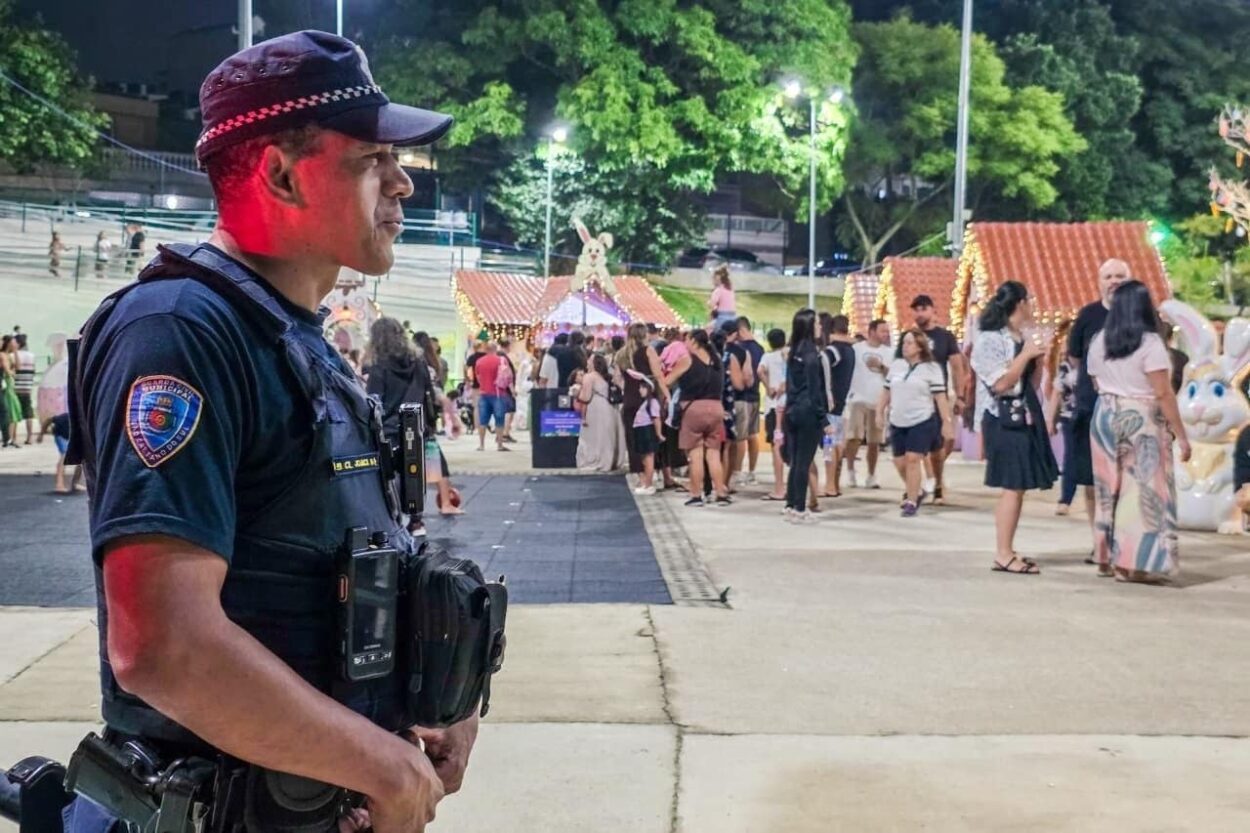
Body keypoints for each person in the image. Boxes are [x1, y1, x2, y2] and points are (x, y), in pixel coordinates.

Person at [65, 31, 472, 833]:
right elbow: (162, 645)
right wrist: (382, 765)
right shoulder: (180, 332)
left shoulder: (298, 342)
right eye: (372, 159)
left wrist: (439, 698)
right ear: (281, 175)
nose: (402, 182)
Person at [1086, 281, 1191, 583]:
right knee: (1142, 490)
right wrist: (1181, 434)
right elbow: (1163, 392)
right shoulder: (1150, 344)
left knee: (1108, 488)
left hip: (1104, 414)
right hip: (1141, 418)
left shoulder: (1099, 340)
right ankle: (1133, 562)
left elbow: (1094, 380)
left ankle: (1105, 557)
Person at [970, 281, 1057, 574]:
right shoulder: (990, 340)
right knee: (1012, 485)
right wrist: (1025, 355)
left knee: (1018, 487)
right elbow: (1001, 383)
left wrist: (1039, 362)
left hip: (1025, 416)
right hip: (1003, 419)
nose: (1032, 305)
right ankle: (1003, 553)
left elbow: (1030, 385)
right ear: (1020, 303)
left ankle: (1007, 549)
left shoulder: (1021, 337)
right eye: (1029, 300)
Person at [366, 317, 463, 529]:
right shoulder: (418, 362)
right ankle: (416, 519)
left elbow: (374, 401)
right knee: (416, 470)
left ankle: (395, 519)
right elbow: (430, 394)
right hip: (417, 425)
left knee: (388, 474)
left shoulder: (378, 366)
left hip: (388, 429)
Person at [1067, 259, 1131, 557]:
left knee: (1126, 479)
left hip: (1129, 411)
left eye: (1120, 276)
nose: (1114, 281)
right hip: (1091, 408)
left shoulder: (1140, 317)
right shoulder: (1088, 316)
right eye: (1108, 276)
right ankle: (1100, 542)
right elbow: (1075, 357)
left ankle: (1124, 541)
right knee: (1092, 480)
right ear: (1099, 281)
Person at [877, 329, 951, 517]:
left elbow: (940, 397)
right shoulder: (897, 366)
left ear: (920, 347)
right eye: (904, 342)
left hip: (921, 419)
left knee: (912, 458)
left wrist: (946, 421)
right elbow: (886, 391)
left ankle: (911, 501)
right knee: (899, 461)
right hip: (897, 419)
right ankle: (916, 490)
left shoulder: (932, 368)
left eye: (910, 343)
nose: (905, 346)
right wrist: (879, 412)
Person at [910, 294, 967, 504]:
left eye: (923, 309)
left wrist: (960, 396)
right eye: (916, 309)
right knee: (922, 443)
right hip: (917, 398)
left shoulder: (945, 337)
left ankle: (936, 477)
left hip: (942, 396)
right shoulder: (910, 337)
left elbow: (957, 367)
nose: (919, 313)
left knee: (946, 440)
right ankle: (934, 484)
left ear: (933, 311)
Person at [665, 329, 731, 507]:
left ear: (694, 341)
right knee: (714, 454)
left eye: (687, 340)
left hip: (693, 409)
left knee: (695, 454)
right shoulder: (717, 361)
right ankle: (721, 493)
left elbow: (668, 381)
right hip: (716, 408)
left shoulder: (687, 360)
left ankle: (696, 494)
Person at [782, 309, 827, 522]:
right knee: (804, 462)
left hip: (792, 410)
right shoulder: (811, 354)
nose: (820, 327)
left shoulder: (794, 351)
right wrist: (823, 418)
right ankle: (800, 508)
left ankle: (791, 504)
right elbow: (814, 389)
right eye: (816, 323)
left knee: (796, 460)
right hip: (808, 411)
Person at [617, 322, 671, 480]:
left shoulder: (621, 354)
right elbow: (658, 376)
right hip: (647, 400)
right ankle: (654, 475)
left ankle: (640, 476)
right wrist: (667, 396)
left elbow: (618, 378)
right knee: (652, 438)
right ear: (644, 335)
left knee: (633, 439)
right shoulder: (648, 351)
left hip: (629, 400)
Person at [845, 318, 892, 489]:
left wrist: (881, 367)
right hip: (858, 398)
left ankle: (871, 475)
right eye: (882, 331)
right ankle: (850, 470)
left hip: (878, 401)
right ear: (872, 332)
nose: (886, 334)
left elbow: (893, 375)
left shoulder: (889, 352)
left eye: (887, 331)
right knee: (854, 436)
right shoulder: (857, 349)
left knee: (874, 441)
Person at [818, 314, 856, 498]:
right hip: (842, 404)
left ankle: (830, 485)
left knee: (829, 445)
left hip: (830, 405)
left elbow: (821, 367)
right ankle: (834, 483)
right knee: (837, 444)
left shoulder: (832, 351)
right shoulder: (850, 350)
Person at [728, 316, 765, 486]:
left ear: (741, 330)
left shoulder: (740, 349)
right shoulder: (760, 348)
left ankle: (736, 471)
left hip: (741, 397)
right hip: (755, 396)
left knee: (740, 437)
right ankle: (751, 471)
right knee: (752, 434)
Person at [1045, 342, 1079, 516]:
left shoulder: (1092, 365)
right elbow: (1056, 394)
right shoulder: (1064, 369)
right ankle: (1065, 499)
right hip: (1069, 418)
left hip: (1089, 417)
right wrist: (1050, 420)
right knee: (1070, 458)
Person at [575, 353, 626, 471]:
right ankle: (610, 460)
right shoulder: (606, 377)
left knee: (594, 436)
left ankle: (595, 460)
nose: (587, 362)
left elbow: (586, 397)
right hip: (611, 409)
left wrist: (576, 393)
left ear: (594, 363)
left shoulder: (589, 377)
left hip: (596, 410)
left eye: (589, 360)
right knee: (606, 437)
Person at [757, 328, 788, 502]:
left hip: (774, 406)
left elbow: (760, 371)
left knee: (776, 445)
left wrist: (768, 387)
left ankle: (779, 487)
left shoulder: (767, 357)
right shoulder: (790, 355)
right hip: (790, 404)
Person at [629, 376, 663, 494]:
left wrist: (658, 434)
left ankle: (648, 485)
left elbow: (656, 419)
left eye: (643, 388)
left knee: (649, 459)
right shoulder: (645, 403)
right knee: (644, 459)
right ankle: (646, 484)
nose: (640, 390)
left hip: (647, 432)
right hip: (641, 431)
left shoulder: (652, 403)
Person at [474, 341, 509, 452]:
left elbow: (478, 378)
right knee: (499, 419)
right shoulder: (501, 360)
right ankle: (499, 445)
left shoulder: (479, 361)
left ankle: (481, 445)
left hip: (484, 393)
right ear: (495, 349)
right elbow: (507, 377)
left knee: (483, 420)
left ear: (486, 349)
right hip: (498, 393)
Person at [42, 412, 84, 494]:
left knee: (81, 459)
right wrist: (41, 434)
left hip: (73, 436)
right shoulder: (63, 418)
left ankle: (75, 484)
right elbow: (48, 420)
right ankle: (59, 484)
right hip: (61, 435)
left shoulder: (84, 421)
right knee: (64, 456)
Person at [13, 334, 36, 444]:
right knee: (28, 413)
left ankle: (14, 437)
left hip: (16, 387)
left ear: (18, 343)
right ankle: (29, 437)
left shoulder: (13, 355)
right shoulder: (31, 356)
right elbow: (33, 371)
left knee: (14, 413)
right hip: (27, 387)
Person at [496, 336, 518, 443]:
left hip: (501, 387)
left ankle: (503, 433)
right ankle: (504, 433)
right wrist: (512, 389)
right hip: (506, 388)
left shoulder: (498, 356)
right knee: (509, 411)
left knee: (506, 411)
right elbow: (506, 374)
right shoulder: (503, 357)